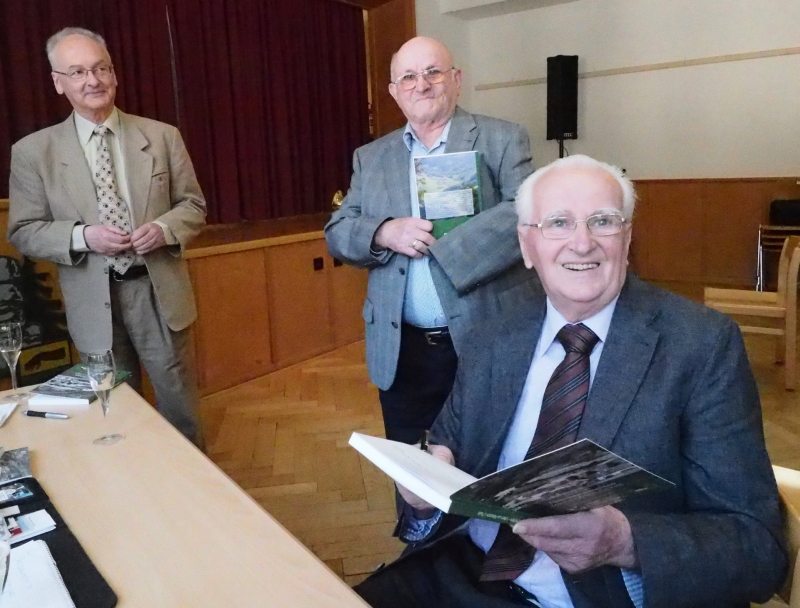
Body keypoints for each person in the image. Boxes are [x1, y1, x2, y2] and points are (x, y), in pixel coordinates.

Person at [355, 155, 787, 608]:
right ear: (526, 246)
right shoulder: (493, 335)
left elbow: (758, 547)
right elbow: (441, 459)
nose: (582, 244)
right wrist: (422, 498)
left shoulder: (700, 345)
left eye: (603, 221)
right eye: (558, 223)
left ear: (627, 238)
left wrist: (625, 541)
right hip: (464, 571)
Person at [325, 36, 536, 445]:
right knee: (412, 462)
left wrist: (448, 248)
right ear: (394, 92)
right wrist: (384, 232)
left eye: (432, 72)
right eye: (408, 77)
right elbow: (338, 231)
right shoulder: (371, 157)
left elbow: (527, 212)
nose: (421, 84)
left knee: (485, 458)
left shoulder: (503, 138)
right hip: (401, 349)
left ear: (456, 79)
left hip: (484, 338)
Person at [8, 28, 206, 445]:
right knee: (114, 407)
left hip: (156, 292)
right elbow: (24, 231)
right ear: (58, 82)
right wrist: (84, 237)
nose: (93, 80)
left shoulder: (162, 136)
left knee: (180, 408)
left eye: (101, 68)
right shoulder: (32, 152)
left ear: (114, 74)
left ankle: (195, 480)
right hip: (91, 300)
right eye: (78, 72)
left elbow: (193, 206)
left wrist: (165, 229)